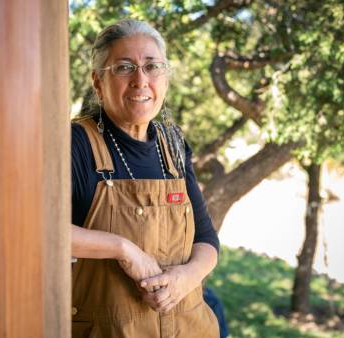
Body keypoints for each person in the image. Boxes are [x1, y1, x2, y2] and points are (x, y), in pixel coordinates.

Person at [71, 19, 220, 338]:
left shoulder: (174, 146)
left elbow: (206, 239)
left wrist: (186, 277)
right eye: (124, 67)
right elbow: (38, 232)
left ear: (164, 78)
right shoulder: (76, 143)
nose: (141, 80)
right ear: (98, 82)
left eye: (152, 66)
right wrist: (123, 249)